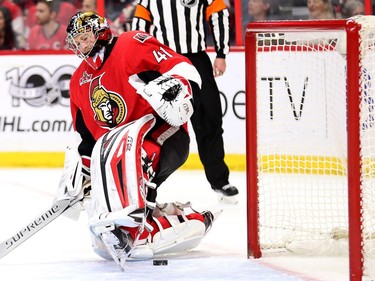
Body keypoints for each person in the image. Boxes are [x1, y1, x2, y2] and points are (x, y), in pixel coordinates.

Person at [59, 11, 218, 270]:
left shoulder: (131, 44)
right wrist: (82, 178)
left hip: (165, 135)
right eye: (75, 41)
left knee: (130, 150)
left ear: (100, 33)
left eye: (85, 37)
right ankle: (165, 217)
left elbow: (182, 67)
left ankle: (134, 224)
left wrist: (184, 92)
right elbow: (87, 140)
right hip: (121, 150)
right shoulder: (78, 81)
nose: (80, 45)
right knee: (107, 157)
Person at [132, 0, 239, 204]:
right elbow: (139, 32)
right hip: (164, 62)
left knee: (210, 119)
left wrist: (221, 53)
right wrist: (143, 63)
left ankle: (219, 181)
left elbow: (219, 14)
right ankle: (146, 184)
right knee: (158, 126)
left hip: (196, 60)